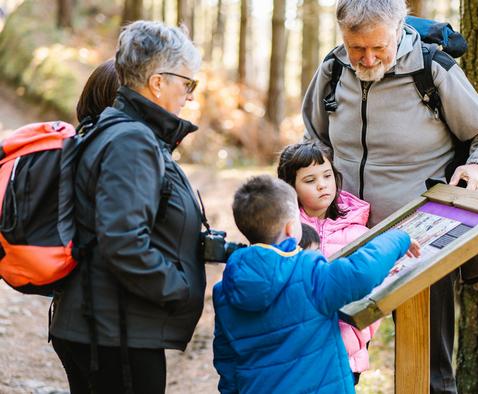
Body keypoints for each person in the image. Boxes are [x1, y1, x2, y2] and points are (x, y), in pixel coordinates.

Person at [301, 0, 478, 392]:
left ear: (398, 29)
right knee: (334, 356)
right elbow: (314, 140)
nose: (366, 58)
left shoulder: (432, 71)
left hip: (422, 243)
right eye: (356, 48)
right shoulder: (332, 70)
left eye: (377, 47)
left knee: (430, 371)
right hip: (346, 240)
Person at [50, 21, 204, 394]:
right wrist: (178, 288)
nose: (189, 95)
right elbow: (123, 239)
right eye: (187, 84)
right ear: (157, 82)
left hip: (109, 328)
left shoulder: (126, 130)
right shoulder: (131, 140)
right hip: (114, 334)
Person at [212, 175, 418, 394]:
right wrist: (397, 238)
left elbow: (226, 360)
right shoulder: (307, 272)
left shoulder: (225, 290)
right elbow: (361, 273)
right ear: (292, 228)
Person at [277, 141, 380, 384]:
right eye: (310, 180)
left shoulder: (357, 231)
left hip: (345, 351)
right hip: (298, 351)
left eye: (327, 175)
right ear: (291, 187)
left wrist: (359, 333)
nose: (322, 185)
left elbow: (372, 288)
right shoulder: (284, 231)